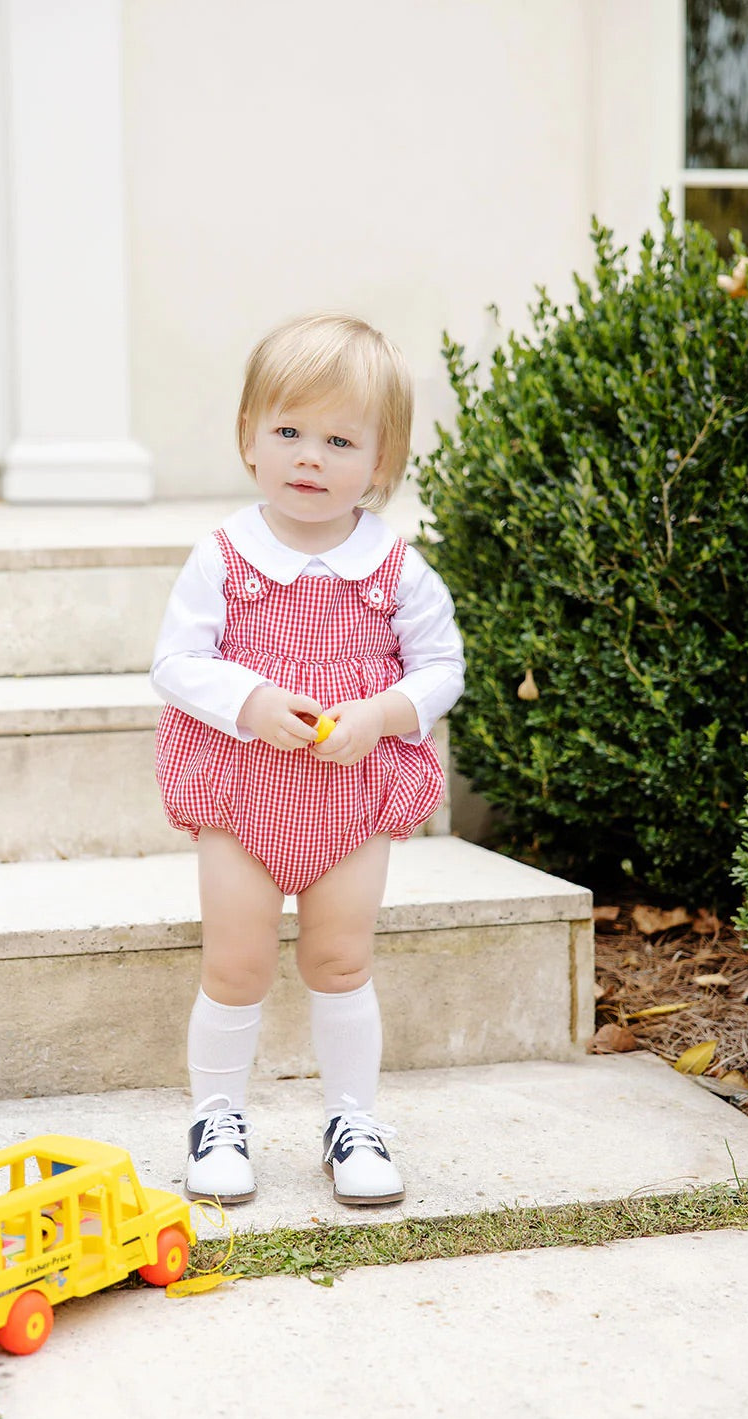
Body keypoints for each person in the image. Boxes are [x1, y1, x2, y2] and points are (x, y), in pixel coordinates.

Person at [150, 312, 465, 1207]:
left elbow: (442, 666)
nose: (310, 457)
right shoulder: (222, 557)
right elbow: (175, 662)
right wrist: (247, 700)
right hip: (241, 791)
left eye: (339, 440)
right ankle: (217, 1118)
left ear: (382, 462)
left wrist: (386, 710)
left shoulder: (397, 569)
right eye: (288, 431)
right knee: (236, 963)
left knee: (339, 961)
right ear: (249, 437)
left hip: (351, 794)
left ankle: (352, 1122)